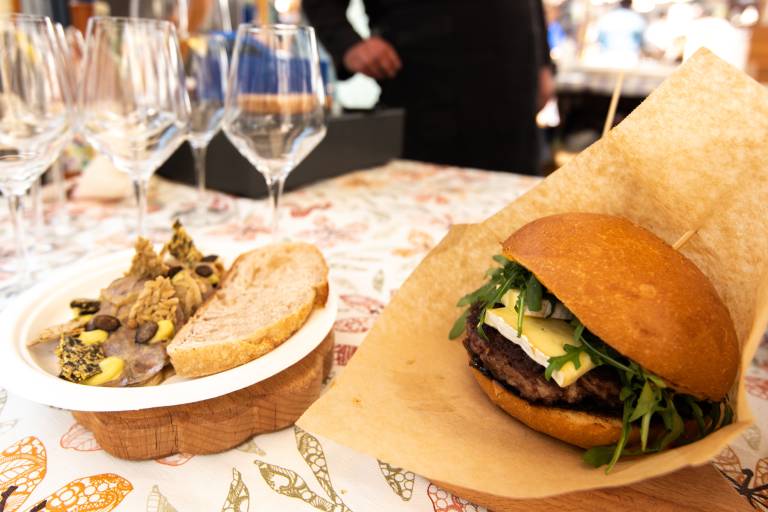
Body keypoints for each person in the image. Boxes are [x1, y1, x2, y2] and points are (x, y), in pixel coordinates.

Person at [303, 0, 555, 174]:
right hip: (427, 91)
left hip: (515, 86)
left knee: (518, 209)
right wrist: (348, 44)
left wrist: (543, 62)